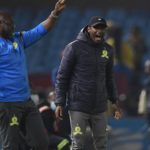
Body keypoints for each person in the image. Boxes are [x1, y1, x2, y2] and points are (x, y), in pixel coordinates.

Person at [0, 0, 66, 150]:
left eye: (11, 23)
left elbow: (40, 30)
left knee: (41, 143)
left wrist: (54, 14)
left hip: (27, 101)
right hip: (8, 103)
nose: (11, 25)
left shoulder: (19, 39)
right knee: (11, 146)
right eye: (6, 22)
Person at [55, 16, 122, 150]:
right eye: (96, 27)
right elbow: (62, 77)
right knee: (77, 144)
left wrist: (114, 101)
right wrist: (59, 102)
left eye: (102, 28)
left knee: (101, 145)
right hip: (78, 105)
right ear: (88, 28)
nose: (100, 31)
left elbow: (109, 77)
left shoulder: (108, 50)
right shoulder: (74, 47)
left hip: (100, 107)